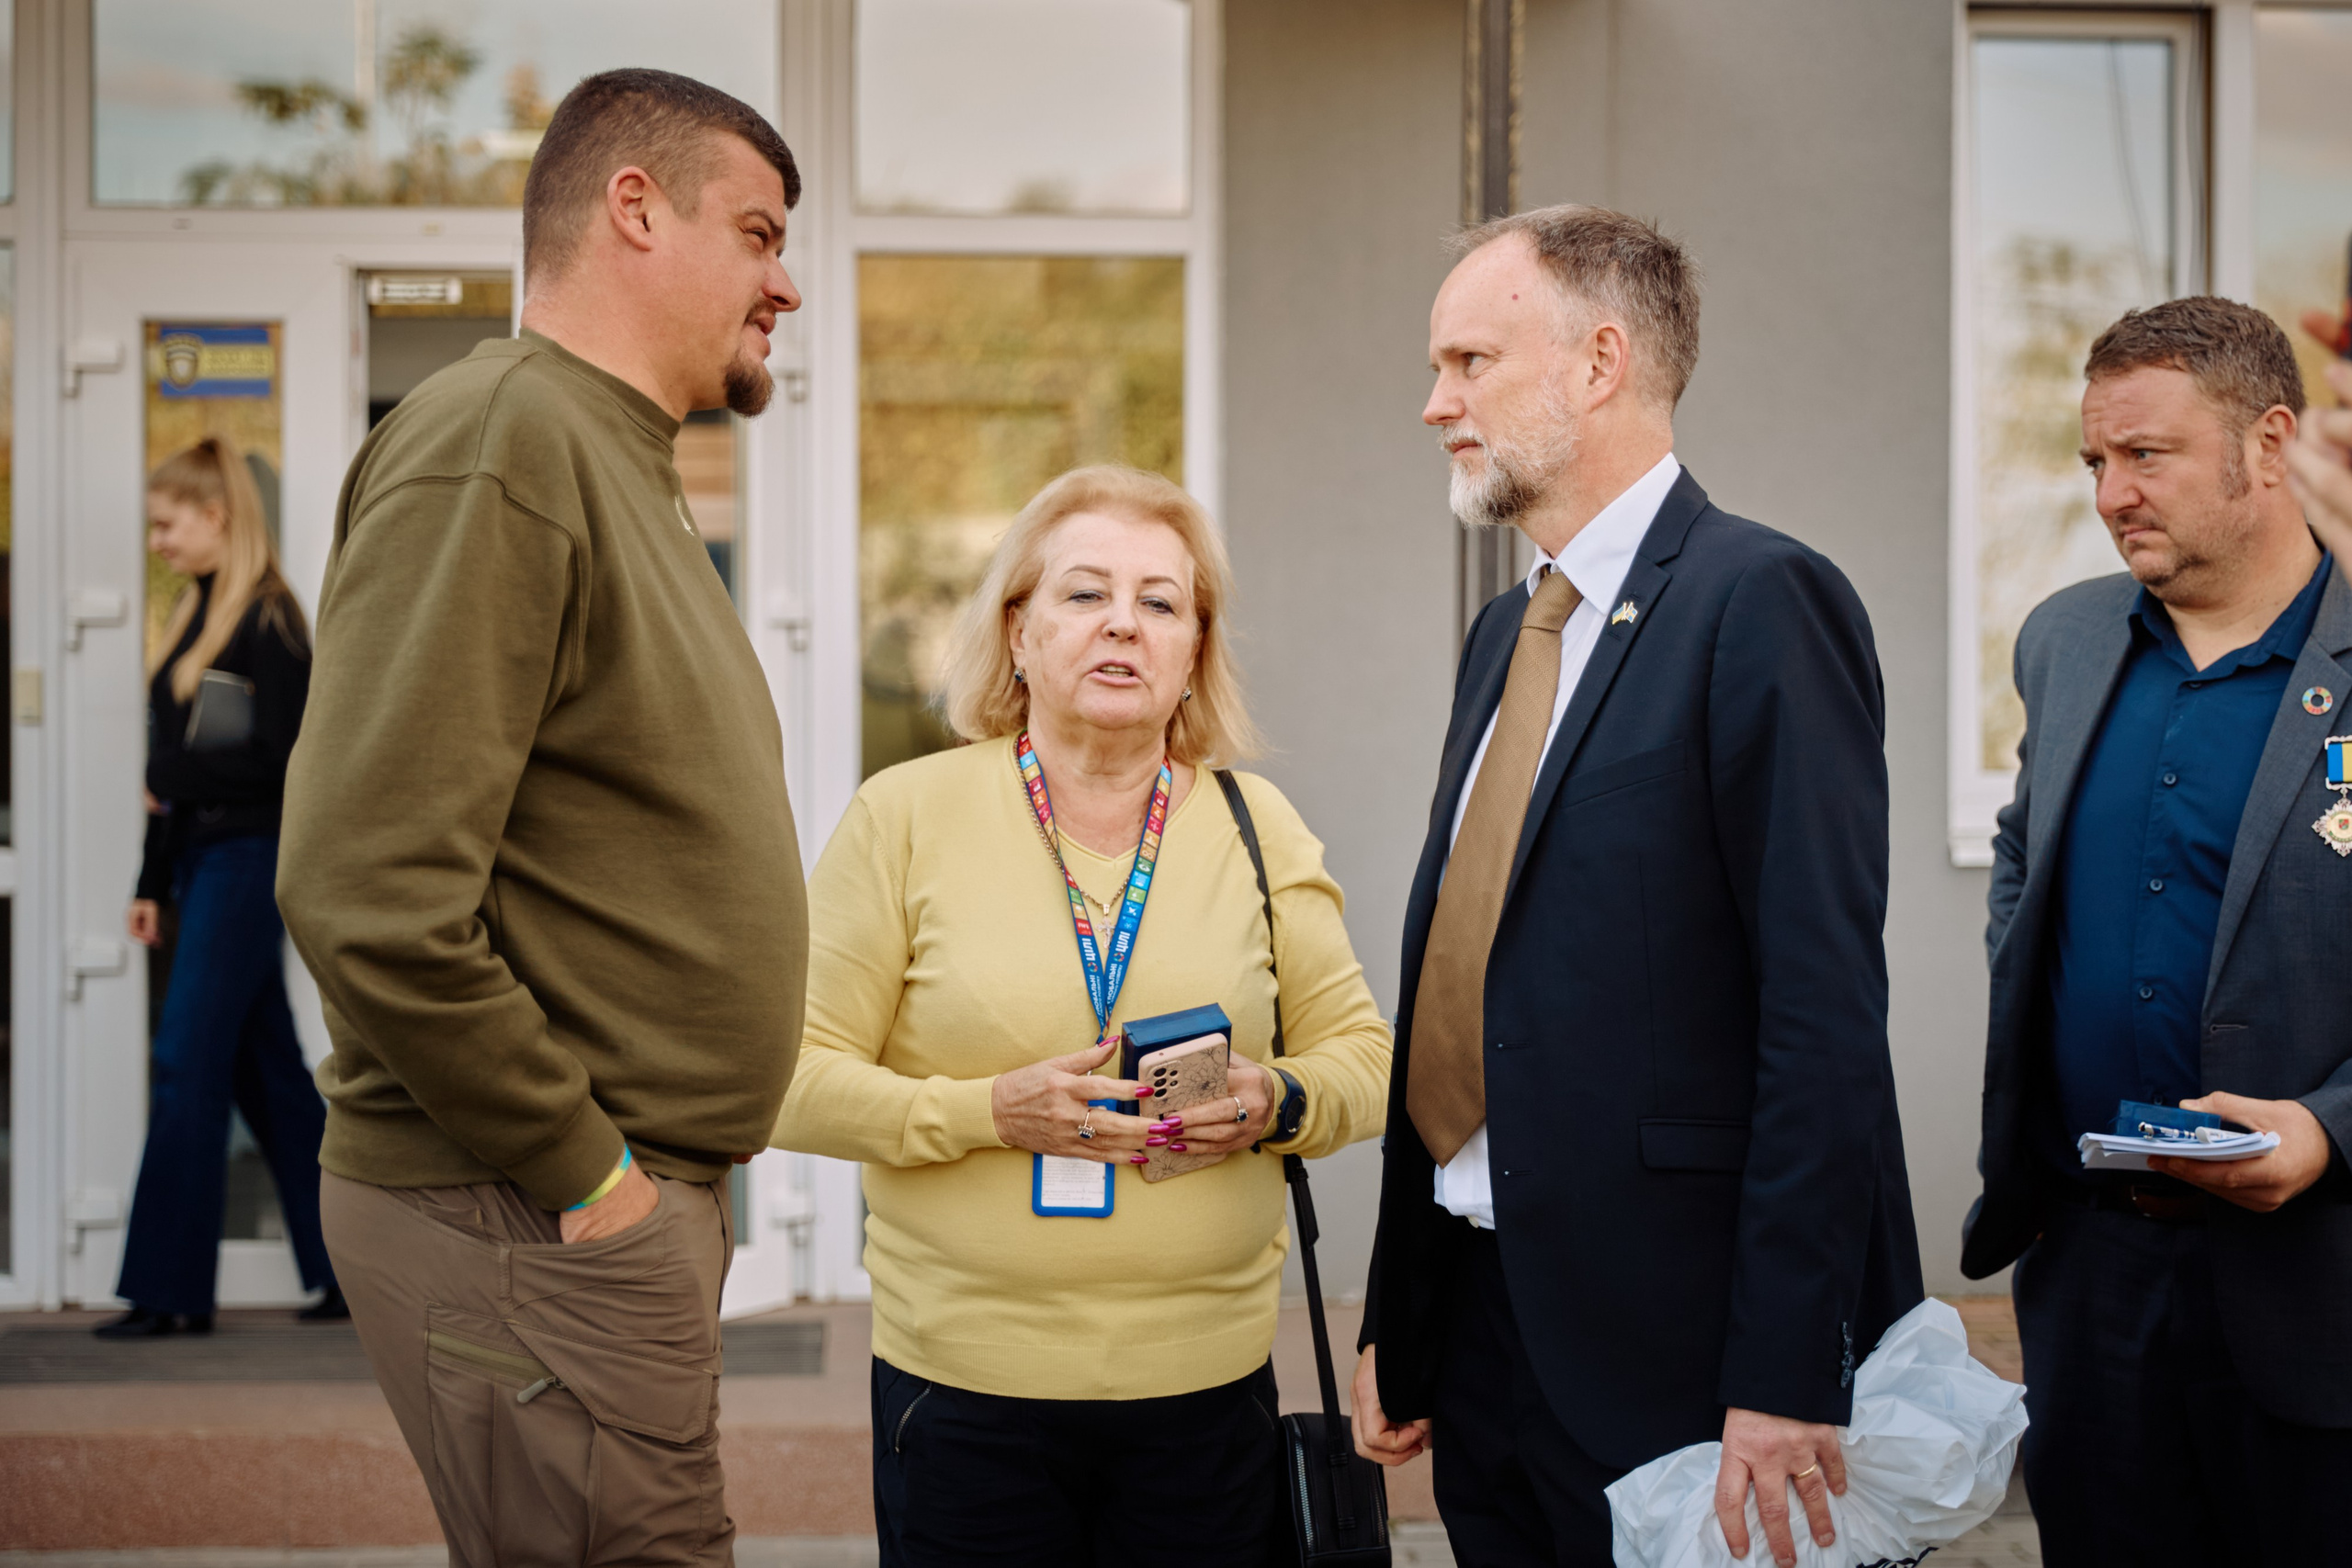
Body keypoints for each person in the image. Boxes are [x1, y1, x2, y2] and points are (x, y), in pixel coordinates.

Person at [276, 69, 808, 1568]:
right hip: (532, 1211)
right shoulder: (503, 438)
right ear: (635, 208)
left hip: (581, 1216)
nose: (789, 284)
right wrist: (590, 1176)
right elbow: (366, 883)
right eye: (759, 233)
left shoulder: (611, 456)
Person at [1349, 205, 1923, 1568]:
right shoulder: (1505, 630)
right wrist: (1404, 1314)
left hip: (1682, 1359)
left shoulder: (1763, 599)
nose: (1436, 404)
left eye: (1469, 361)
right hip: (1485, 1331)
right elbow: (1460, 970)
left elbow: (1823, 1015)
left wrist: (1790, 1368)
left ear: (1598, 361)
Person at [772, 464, 1394, 1568]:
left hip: (1207, 1399)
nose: (1123, 624)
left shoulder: (1257, 824)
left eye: (1160, 602)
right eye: (1083, 594)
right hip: (963, 1393)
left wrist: (1273, 1099)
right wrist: (985, 1113)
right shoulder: (904, 816)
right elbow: (788, 1080)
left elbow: (1365, 1059)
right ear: (1016, 631)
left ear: (1194, 650)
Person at [1963, 296, 2352, 1566]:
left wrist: (2327, 1128)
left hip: (2316, 1287)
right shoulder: (2068, 641)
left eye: (2148, 455)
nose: (2112, 491)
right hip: (2090, 1270)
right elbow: (2025, 848)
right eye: (2094, 461)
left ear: (2268, 442)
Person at [96, 436, 338, 1338]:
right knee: (266, 1071)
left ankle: (169, 1293)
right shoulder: (197, 612)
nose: (157, 540)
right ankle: (347, 1268)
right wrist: (150, 879)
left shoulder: (270, 624)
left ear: (217, 517)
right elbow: (175, 778)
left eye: (167, 523)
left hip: (248, 863)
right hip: (200, 866)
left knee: (185, 1062)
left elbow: (284, 765)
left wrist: (175, 775)